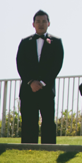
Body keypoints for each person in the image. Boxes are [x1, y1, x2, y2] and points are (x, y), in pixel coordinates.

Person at [15, 9, 65, 144]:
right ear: (33, 24)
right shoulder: (25, 42)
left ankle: (48, 149)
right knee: (28, 121)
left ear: (49, 23)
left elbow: (57, 65)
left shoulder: (56, 42)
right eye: (38, 21)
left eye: (44, 21)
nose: (41, 24)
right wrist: (31, 82)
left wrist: (43, 82)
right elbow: (20, 64)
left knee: (48, 121)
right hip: (28, 89)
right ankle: (28, 149)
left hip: (46, 89)